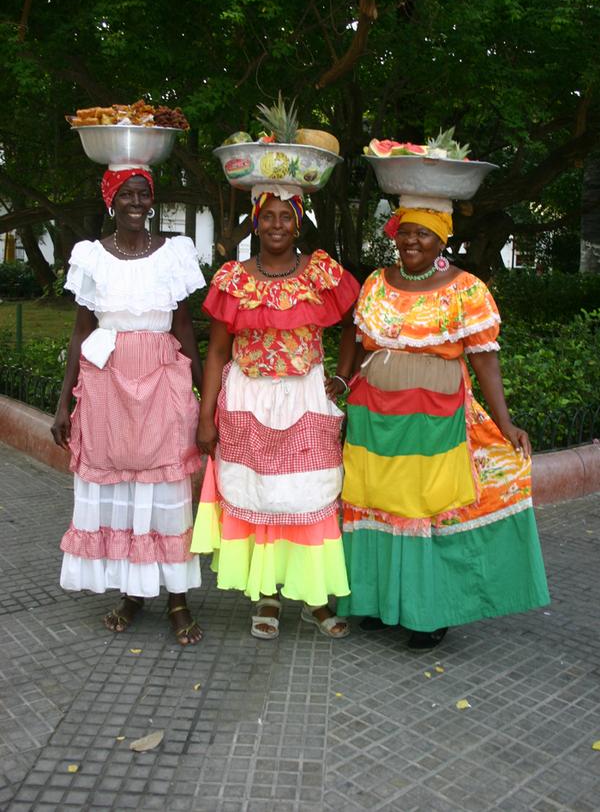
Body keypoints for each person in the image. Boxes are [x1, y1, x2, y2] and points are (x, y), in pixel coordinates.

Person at [338, 196, 549, 650]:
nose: (412, 240)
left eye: (424, 233)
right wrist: (341, 382)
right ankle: (377, 601)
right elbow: (354, 338)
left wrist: (504, 421)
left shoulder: (466, 289)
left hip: (434, 420)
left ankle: (425, 611)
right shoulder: (376, 282)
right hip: (373, 415)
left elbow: (485, 359)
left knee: (425, 507)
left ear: (442, 238)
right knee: (374, 500)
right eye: (406, 231)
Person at [191, 187, 359, 639]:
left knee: (311, 494)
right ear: (256, 221)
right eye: (268, 217)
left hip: (305, 398)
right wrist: (207, 417)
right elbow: (217, 352)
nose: (277, 225)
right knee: (261, 495)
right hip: (248, 398)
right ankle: (268, 594)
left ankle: (316, 598)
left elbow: (354, 324)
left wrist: (342, 377)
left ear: (298, 222)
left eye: (286, 216)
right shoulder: (234, 279)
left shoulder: (319, 273)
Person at [51, 167, 205, 645]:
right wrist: (62, 404)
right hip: (105, 382)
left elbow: (183, 329)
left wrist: (207, 395)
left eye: (144, 194)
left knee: (165, 486)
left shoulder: (174, 255)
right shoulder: (92, 257)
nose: (137, 202)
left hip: (161, 377)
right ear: (111, 202)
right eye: (127, 195)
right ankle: (133, 593)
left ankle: (177, 599)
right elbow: (81, 332)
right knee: (121, 486)